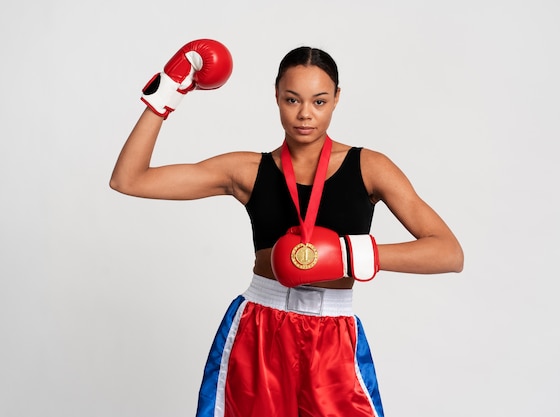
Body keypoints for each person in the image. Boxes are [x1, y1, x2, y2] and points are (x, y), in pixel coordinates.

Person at [110, 39, 463, 417]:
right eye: (292, 100)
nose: (305, 114)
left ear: (337, 98)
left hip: (333, 336)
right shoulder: (246, 170)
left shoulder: (370, 167)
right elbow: (129, 179)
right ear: (276, 96)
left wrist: (347, 255)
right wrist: (169, 89)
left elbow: (448, 252)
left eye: (319, 101)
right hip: (258, 331)